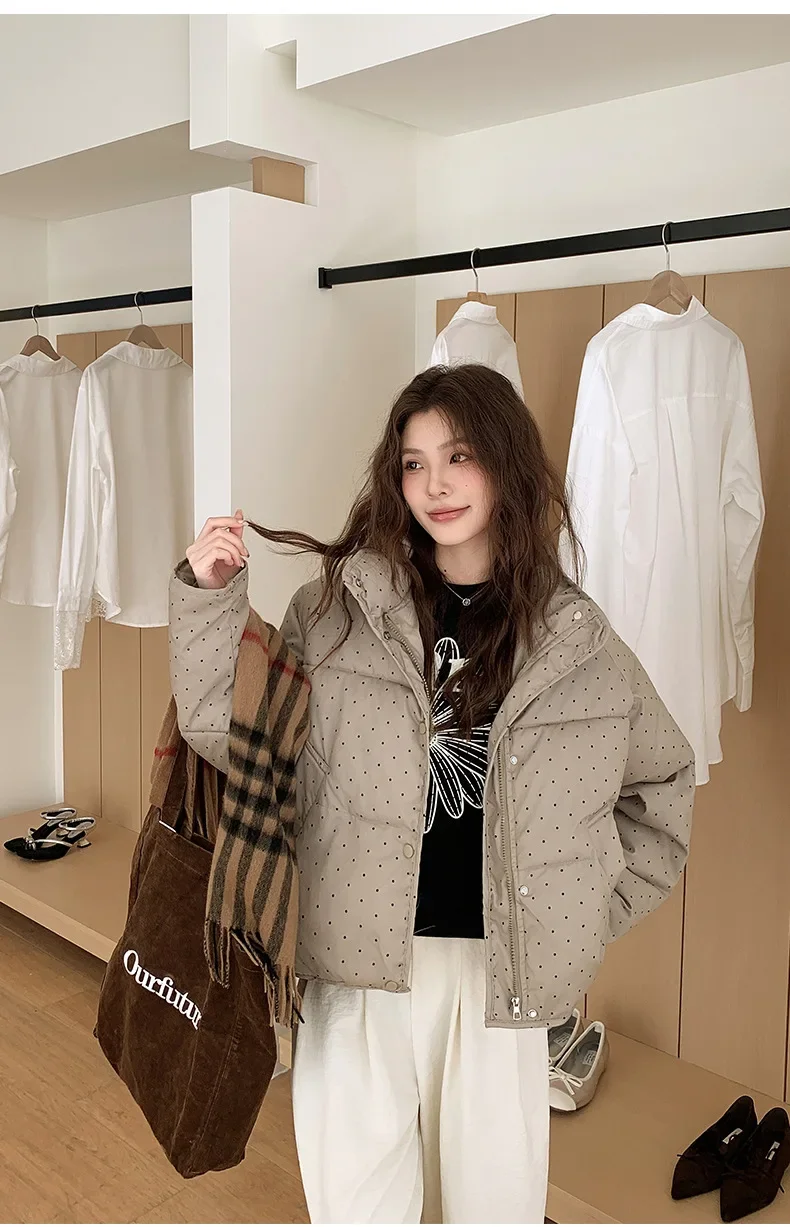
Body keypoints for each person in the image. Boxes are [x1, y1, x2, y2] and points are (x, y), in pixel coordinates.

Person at [169, 363, 695, 1225]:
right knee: (357, 1207)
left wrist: (576, 912)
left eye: (459, 456)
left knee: (491, 1206)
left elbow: (662, 788)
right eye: (414, 463)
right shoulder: (335, 613)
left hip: (499, 980)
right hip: (355, 966)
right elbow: (227, 731)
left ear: (506, 462)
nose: (435, 484)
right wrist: (210, 597)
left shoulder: (575, 641)